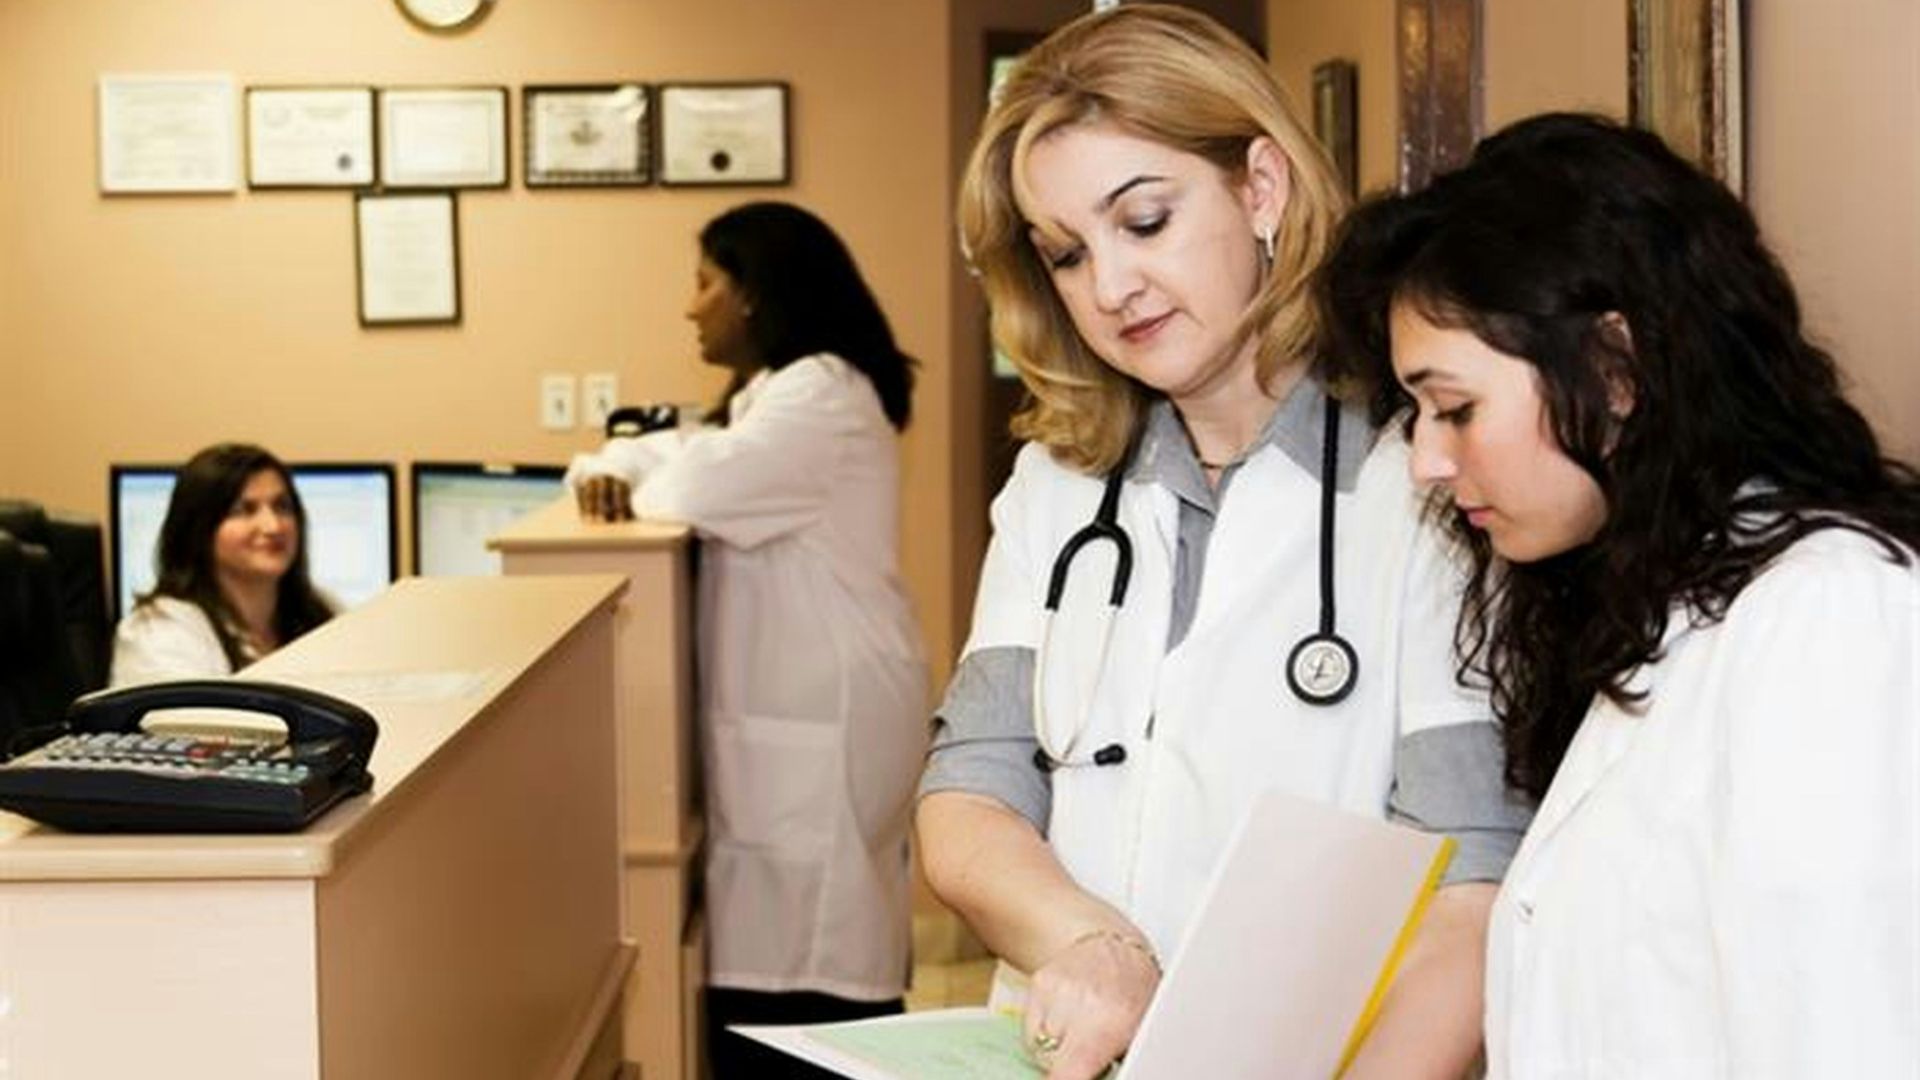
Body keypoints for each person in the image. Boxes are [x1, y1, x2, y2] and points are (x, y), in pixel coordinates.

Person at [916, 7, 1531, 1078]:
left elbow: (1472, 880)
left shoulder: (1428, 473)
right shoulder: (1059, 485)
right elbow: (968, 797)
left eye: (1144, 220)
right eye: (1066, 254)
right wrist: (1090, 945)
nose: (1110, 289)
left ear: (1261, 188)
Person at [1319, 112, 1920, 1077]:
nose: (1428, 462)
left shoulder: (1832, 618)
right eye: (1417, 415)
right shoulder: (1644, 620)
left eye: (1457, 408)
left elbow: (1848, 1041)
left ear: (1614, 366)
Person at [565, 201, 930, 1078]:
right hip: (805, 705)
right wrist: (614, 461)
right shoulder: (779, 395)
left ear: (757, 295)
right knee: (796, 938)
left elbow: (686, 483)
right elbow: (678, 450)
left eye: (704, 284)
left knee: (815, 965)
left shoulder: (822, 391)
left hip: (826, 711)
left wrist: (629, 466)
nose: (691, 309)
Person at [111, 442, 334, 686]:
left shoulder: (323, 614)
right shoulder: (160, 631)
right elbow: (187, 721)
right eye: (244, 510)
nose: (273, 526)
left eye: (282, 507)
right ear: (200, 529)